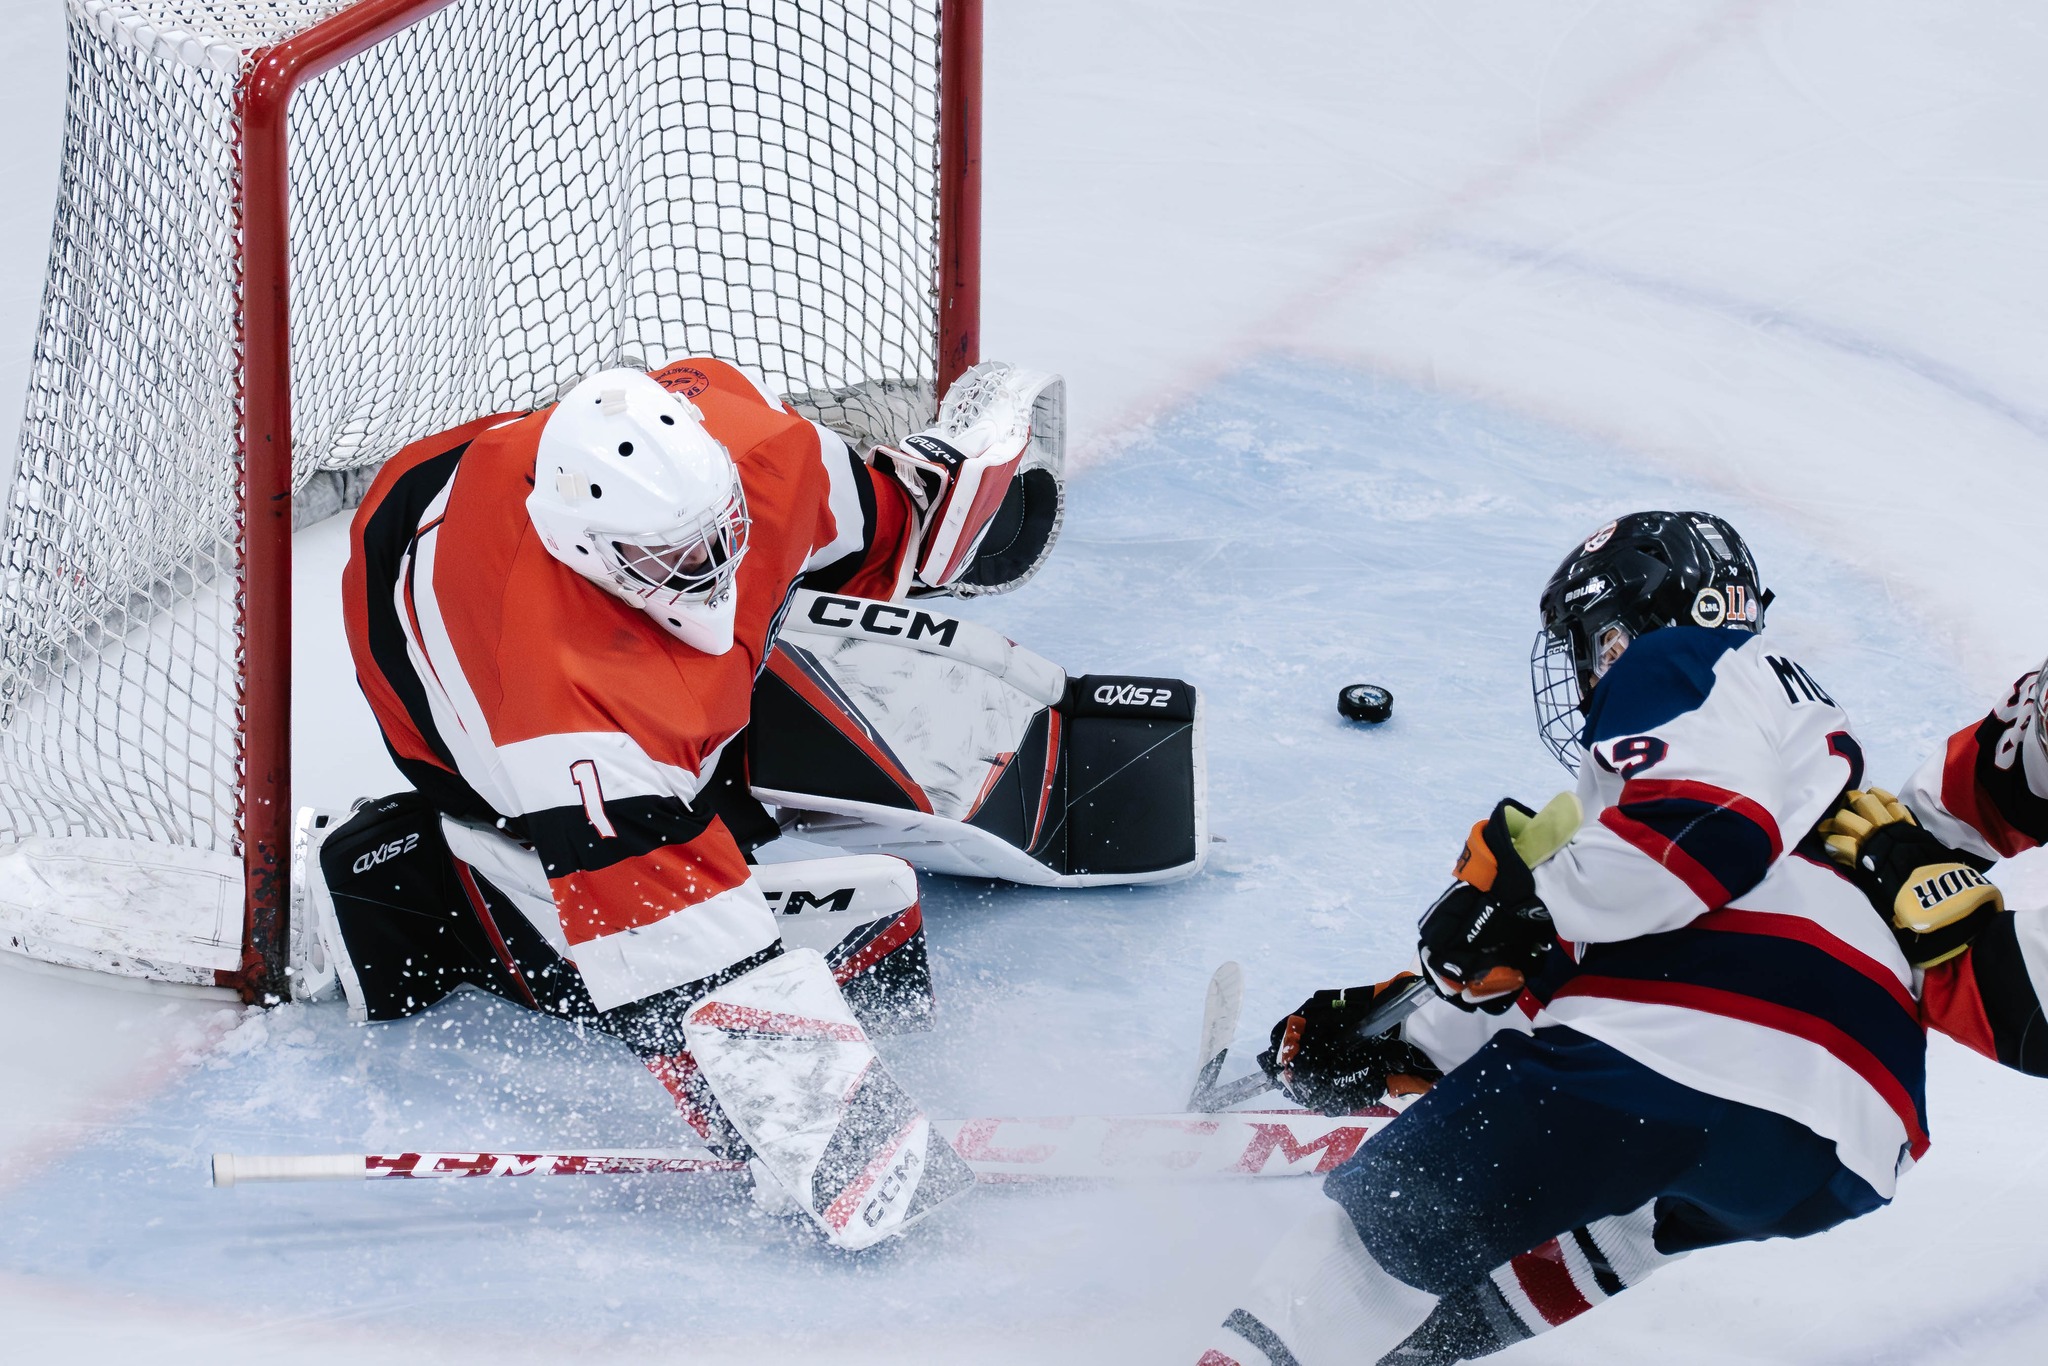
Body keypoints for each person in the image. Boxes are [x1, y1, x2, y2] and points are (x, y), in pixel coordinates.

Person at [304, 355, 1065, 1250]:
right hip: (436, 652)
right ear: (590, 550)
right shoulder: (562, 711)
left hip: (527, 484)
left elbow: (874, 516)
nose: (710, 566)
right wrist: (812, 1135)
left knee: (744, 666)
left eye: (721, 534)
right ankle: (453, 886)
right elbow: (677, 955)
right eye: (675, 557)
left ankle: (695, 781)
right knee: (618, 892)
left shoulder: (759, 454)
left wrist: (952, 500)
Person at [1197, 511, 1929, 1364]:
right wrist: (1406, 1041)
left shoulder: (1686, 665)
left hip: (1696, 1047)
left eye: (1589, 639)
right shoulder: (1811, 777)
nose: (1585, 673)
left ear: (1633, 620)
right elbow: (1629, 947)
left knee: (1383, 1225)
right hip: (1844, 1137)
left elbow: (1701, 843)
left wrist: (1522, 889)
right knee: (1609, 1220)